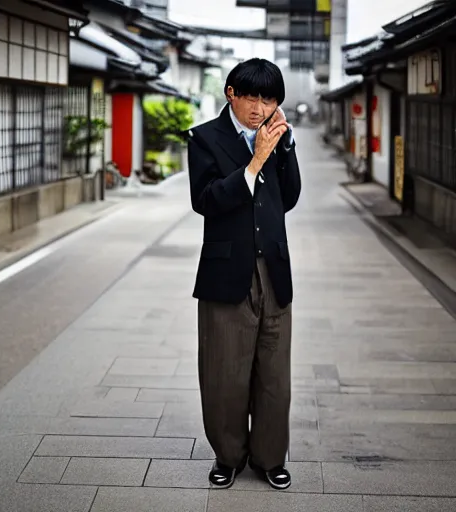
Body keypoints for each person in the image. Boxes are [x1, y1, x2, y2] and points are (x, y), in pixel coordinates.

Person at [186, 58, 301, 490]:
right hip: (225, 271)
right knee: (223, 373)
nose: (258, 107)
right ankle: (228, 456)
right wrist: (254, 164)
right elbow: (206, 200)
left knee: (274, 375)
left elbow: (289, 198)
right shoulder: (204, 138)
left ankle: (270, 458)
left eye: (268, 99)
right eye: (250, 96)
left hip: (274, 268)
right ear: (230, 92)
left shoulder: (277, 135)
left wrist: (283, 150)